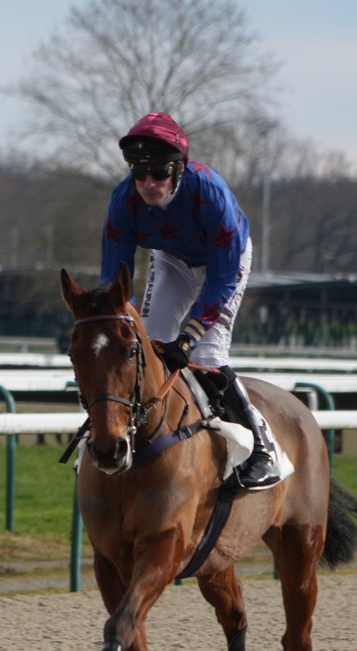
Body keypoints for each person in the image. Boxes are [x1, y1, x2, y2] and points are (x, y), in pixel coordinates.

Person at [100, 112, 280, 491]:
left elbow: (222, 279)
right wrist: (121, 324)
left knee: (207, 354)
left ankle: (262, 450)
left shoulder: (209, 193)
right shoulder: (123, 200)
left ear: (179, 169)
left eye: (159, 173)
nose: (148, 184)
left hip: (224, 263)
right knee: (147, 346)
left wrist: (189, 337)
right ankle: (131, 437)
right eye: (139, 173)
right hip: (171, 259)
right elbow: (115, 279)